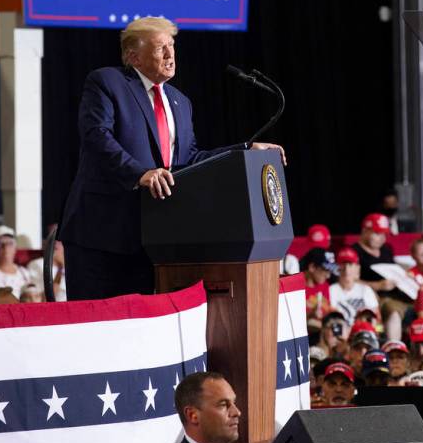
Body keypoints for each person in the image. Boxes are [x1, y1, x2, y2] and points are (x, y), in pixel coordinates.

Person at [59, 17, 285, 299]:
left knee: (138, 330)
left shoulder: (180, 101)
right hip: (100, 234)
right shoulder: (108, 82)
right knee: (95, 327)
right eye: (160, 48)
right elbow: (96, 136)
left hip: (152, 238)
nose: (170, 55)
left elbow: (189, 159)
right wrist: (139, 173)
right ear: (134, 57)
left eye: (172, 46)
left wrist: (245, 149)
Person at [328, 247, 379, 323]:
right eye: (343, 264)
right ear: (336, 268)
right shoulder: (330, 290)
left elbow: (377, 319)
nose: (346, 269)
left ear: (357, 268)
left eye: (350, 264)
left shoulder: (365, 290)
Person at [0, 225, 32, 299]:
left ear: (15, 247)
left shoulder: (23, 271)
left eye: (10, 243)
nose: (6, 248)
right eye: (0, 244)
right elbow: (1, 299)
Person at [27, 224, 66, 302]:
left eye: (59, 239)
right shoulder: (36, 264)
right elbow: (45, 298)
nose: (55, 242)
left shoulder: (74, 265)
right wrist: (60, 268)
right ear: (45, 242)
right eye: (51, 239)